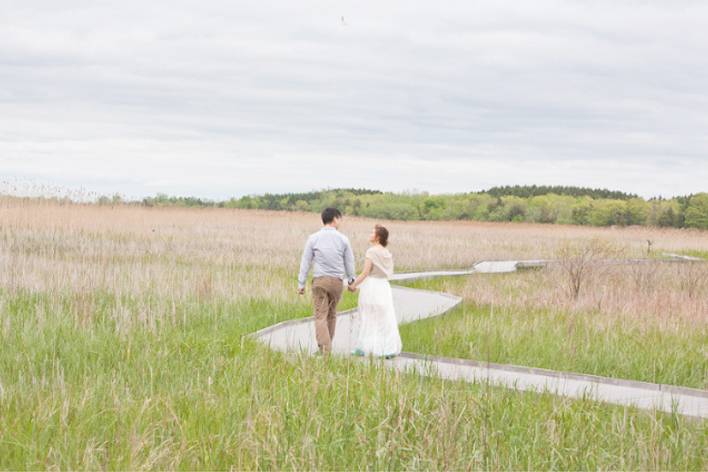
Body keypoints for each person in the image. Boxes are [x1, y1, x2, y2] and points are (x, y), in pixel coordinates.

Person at [298, 208, 356, 355]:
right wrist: (351, 280)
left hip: (320, 281)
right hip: (336, 282)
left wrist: (301, 283)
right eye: (340, 219)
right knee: (331, 314)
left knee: (320, 315)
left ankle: (325, 349)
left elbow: (306, 261)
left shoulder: (313, 238)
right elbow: (349, 262)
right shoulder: (343, 239)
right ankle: (326, 347)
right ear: (335, 219)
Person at [349, 224, 402, 358]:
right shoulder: (387, 253)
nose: (370, 235)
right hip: (383, 287)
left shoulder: (371, 252)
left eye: (372, 233)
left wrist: (353, 284)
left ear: (378, 237)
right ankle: (388, 348)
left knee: (368, 316)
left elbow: (365, 272)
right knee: (385, 317)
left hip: (372, 286)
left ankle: (363, 347)